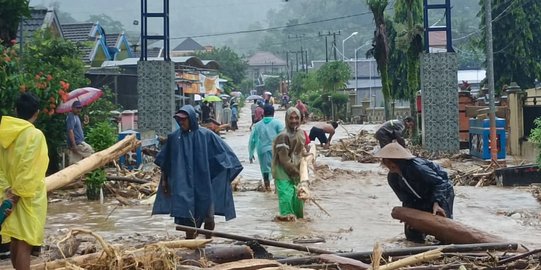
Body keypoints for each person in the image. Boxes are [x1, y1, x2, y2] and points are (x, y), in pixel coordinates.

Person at [152, 105, 243, 239]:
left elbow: (225, 155)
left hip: (205, 184)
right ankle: (191, 244)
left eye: (184, 119)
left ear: (192, 119)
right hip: (184, 185)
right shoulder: (174, 138)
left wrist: (223, 175)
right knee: (187, 217)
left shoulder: (206, 135)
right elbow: (166, 161)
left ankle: (207, 241)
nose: (181, 122)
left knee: (209, 217)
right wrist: (165, 181)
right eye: (179, 120)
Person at [0, 93, 49, 270]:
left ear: (15, 111)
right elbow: (30, 170)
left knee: (15, 238)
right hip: (28, 197)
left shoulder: (4, 133)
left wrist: (7, 193)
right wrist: (17, 195)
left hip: (8, 194)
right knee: (24, 243)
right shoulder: (35, 135)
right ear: (36, 113)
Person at [373, 142, 454, 243]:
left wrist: (436, 202)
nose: (388, 165)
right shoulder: (393, 178)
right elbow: (406, 199)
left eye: (390, 162)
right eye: (386, 162)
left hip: (441, 191)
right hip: (419, 199)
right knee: (412, 234)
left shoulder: (417, 168)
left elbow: (440, 183)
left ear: (398, 161)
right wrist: (408, 216)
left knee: (443, 227)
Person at [271, 107, 307, 221]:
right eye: (291, 118)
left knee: (298, 201)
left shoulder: (301, 133)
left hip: (296, 171)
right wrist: (296, 172)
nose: (294, 121)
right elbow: (284, 159)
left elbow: (301, 151)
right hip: (283, 172)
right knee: (286, 200)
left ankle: (298, 229)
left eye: (296, 118)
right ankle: (287, 232)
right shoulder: (283, 136)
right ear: (286, 119)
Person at [249, 105, 284, 192]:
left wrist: (251, 153)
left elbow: (252, 140)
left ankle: (267, 187)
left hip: (262, 150)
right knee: (277, 169)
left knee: (265, 169)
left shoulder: (257, 125)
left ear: (263, 113)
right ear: (273, 113)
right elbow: (283, 137)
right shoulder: (278, 123)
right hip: (276, 150)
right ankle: (277, 189)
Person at [66, 100, 94, 165]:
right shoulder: (71, 116)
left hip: (78, 143)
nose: (79, 110)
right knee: (90, 152)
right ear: (72, 108)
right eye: (77, 108)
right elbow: (70, 131)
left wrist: (84, 123)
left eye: (80, 108)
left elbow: (78, 129)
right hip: (78, 143)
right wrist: (74, 145)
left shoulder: (76, 117)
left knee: (75, 165)